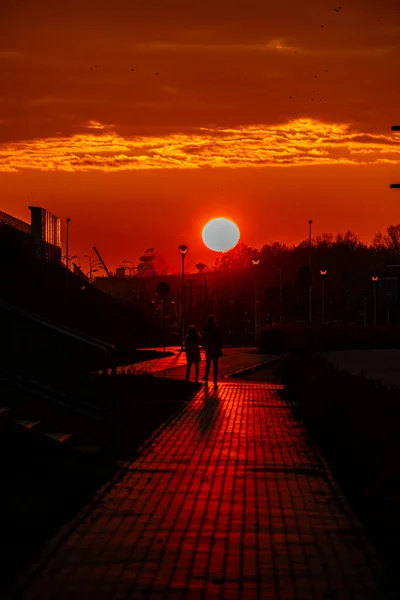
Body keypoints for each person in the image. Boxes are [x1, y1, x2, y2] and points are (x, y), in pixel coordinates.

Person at [202, 314, 222, 385]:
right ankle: (215, 378)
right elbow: (219, 338)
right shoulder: (216, 328)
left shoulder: (207, 328)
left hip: (209, 348)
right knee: (215, 364)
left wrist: (204, 344)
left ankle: (207, 376)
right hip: (215, 348)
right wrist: (219, 346)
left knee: (208, 363)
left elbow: (204, 337)